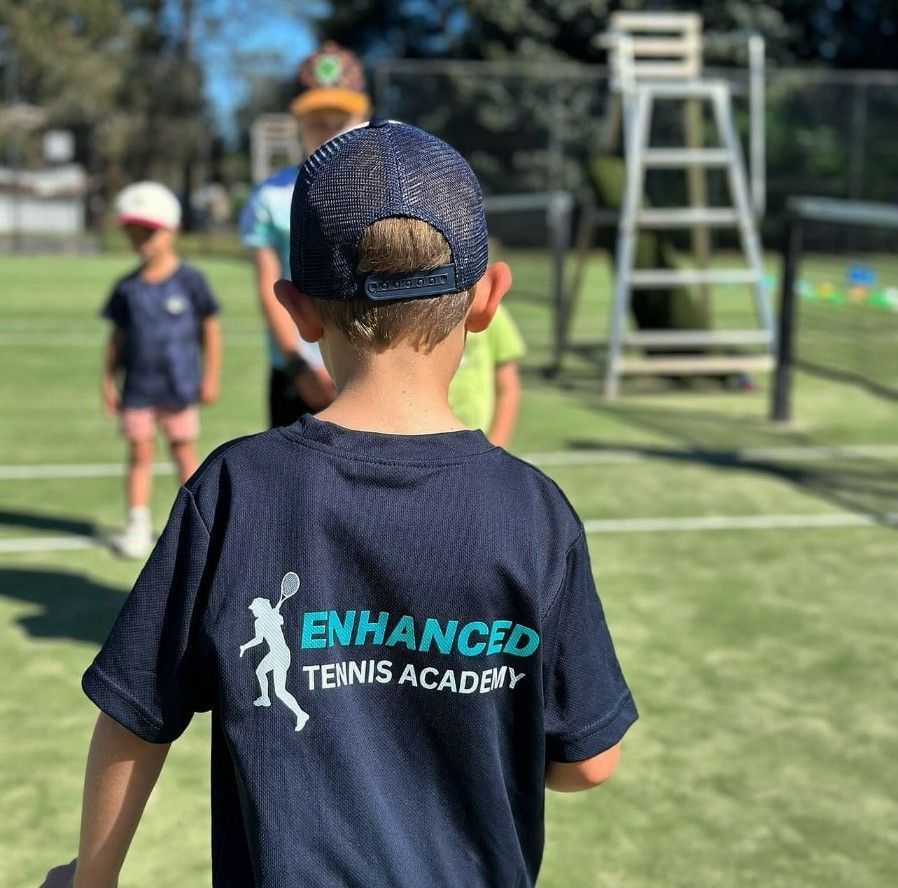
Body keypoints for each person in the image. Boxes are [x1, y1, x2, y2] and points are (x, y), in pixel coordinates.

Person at [61, 121, 637, 888]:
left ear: (296, 311)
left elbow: (136, 713)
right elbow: (590, 761)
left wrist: (87, 880)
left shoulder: (235, 490)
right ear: (488, 298)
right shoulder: (534, 511)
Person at [240, 41, 371, 427]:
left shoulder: (385, 187)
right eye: (317, 119)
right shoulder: (270, 197)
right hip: (299, 373)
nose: (330, 129)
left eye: (341, 118)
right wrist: (298, 366)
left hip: (370, 370)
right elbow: (269, 285)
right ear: (298, 122)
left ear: (365, 114)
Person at [101, 181, 221, 558]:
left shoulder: (191, 281)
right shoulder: (127, 288)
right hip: (138, 389)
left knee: (184, 453)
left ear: (173, 230)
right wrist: (107, 380)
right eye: (134, 233)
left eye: (150, 232)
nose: (142, 241)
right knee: (139, 453)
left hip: (179, 387)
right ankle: (137, 524)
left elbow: (210, 330)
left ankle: (199, 525)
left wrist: (210, 375)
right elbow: (116, 340)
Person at [449, 303, 525, 446]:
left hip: (480, 442)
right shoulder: (421, 314)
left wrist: (496, 446)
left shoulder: (493, 314)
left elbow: (508, 389)